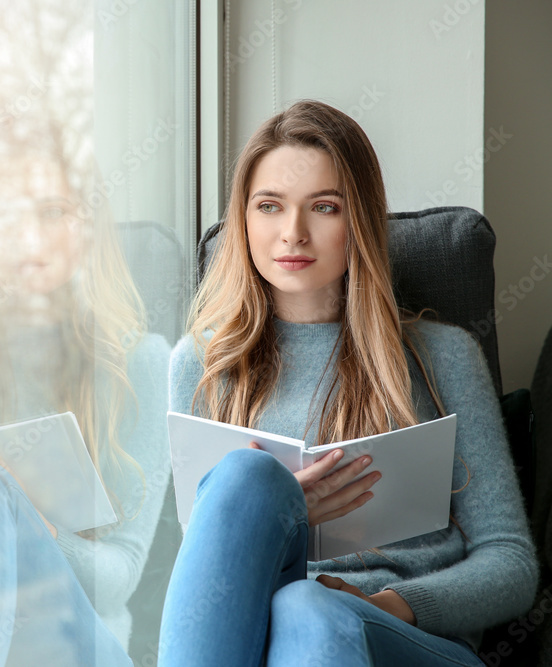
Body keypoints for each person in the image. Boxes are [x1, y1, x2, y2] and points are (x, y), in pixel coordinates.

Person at [158, 100, 539, 666]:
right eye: (269, 207)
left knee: (306, 608)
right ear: (244, 220)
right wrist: (287, 511)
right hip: (265, 643)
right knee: (247, 481)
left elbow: (510, 562)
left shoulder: (444, 356)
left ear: (358, 219)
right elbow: (213, 575)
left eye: (324, 207)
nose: (293, 233)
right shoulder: (200, 364)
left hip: (409, 640)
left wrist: (390, 602)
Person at [0, 143, 171, 666]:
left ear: (88, 230)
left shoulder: (141, 365)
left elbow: (118, 583)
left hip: (76, 640)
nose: (28, 238)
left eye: (52, 213)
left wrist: (34, 523)